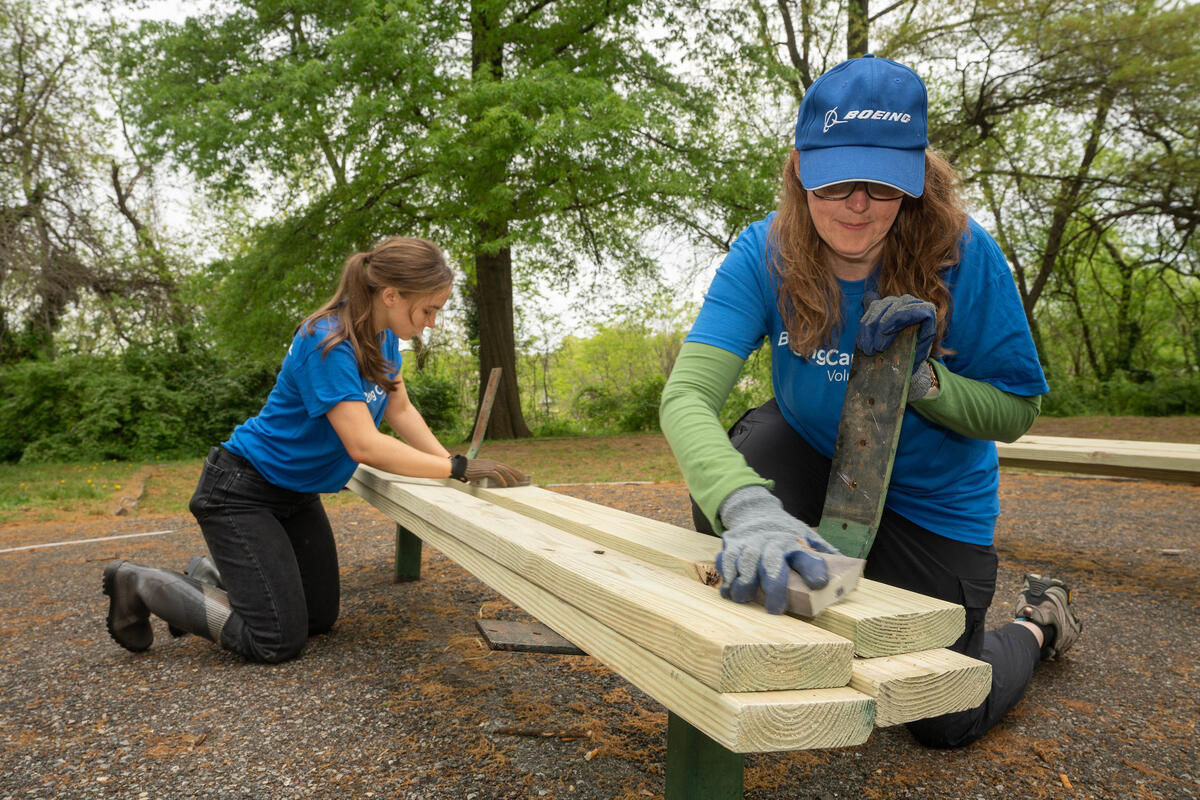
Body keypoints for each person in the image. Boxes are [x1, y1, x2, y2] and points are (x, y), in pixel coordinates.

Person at [659, 55, 1082, 748]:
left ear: (915, 180)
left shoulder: (964, 254)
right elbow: (685, 399)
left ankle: (1040, 622)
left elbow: (1016, 411)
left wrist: (924, 382)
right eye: (837, 181)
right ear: (800, 168)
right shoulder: (762, 252)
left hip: (930, 501)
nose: (858, 204)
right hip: (813, 457)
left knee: (942, 714)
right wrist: (749, 508)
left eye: (883, 185)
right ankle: (800, 603)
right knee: (747, 485)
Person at [103, 237, 525, 664]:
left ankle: (212, 577)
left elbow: (400, 409)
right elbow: (364, 444)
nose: (432, 322)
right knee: (275, 640)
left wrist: (452, 465)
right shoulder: (328, 341)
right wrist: (453, 466)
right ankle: (138, 582)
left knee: (319, 618)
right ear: (391, 295)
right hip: (241, 492)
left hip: (296, 496)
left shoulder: (384, 338)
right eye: (428, 309)